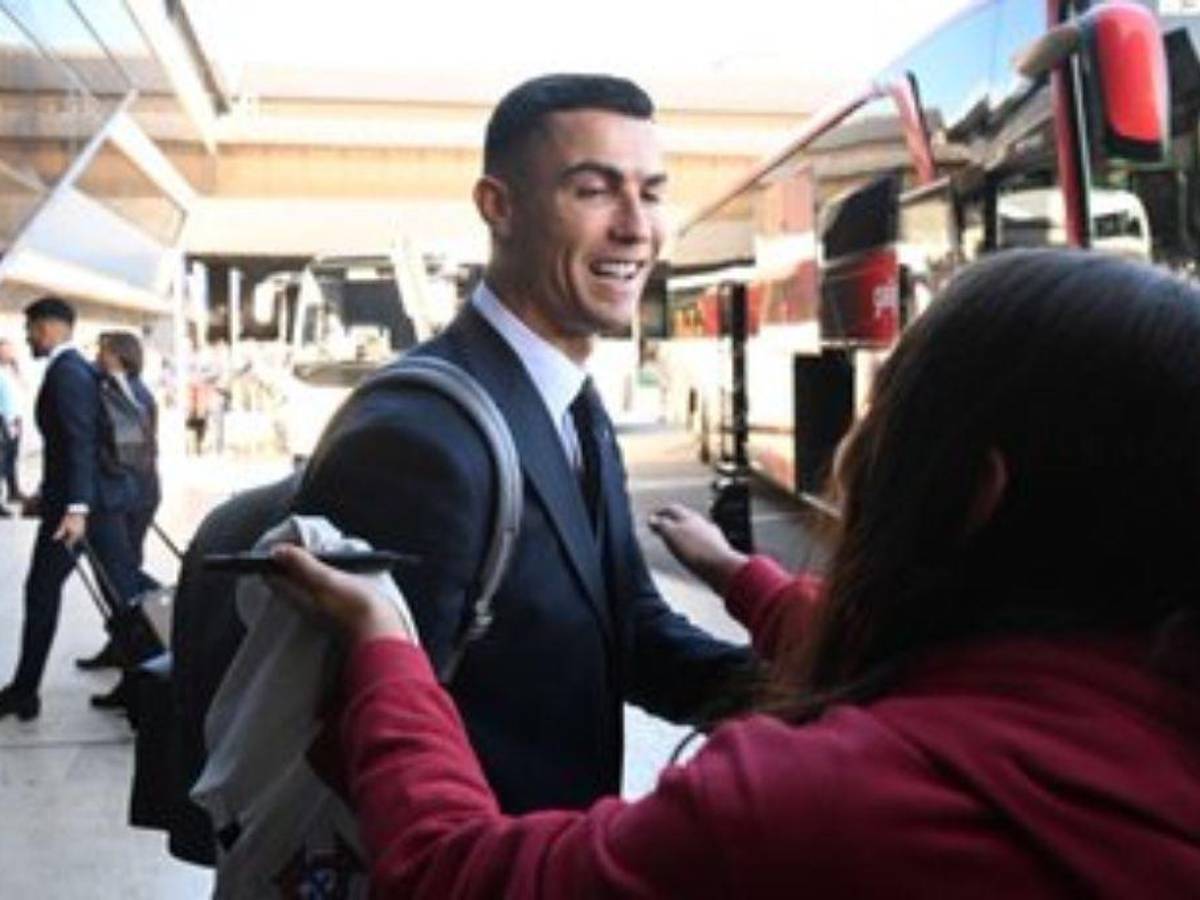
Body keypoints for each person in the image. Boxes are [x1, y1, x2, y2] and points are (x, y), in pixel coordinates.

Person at [275, 248, 1200, 897]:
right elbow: (976, 682)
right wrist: (741, 578)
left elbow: (454, 875)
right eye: (595, 187)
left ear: (970, 493)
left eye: (882, 427)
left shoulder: (810, 805)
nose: (633, 223)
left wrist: (386, 650)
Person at [294, 73, 756, 814]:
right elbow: (366, 738)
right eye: (595, 190)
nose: (638, 226)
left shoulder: (575, 403)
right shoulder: (416, 440)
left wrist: (830, 699)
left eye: (653, 191)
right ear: (498, 207)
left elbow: (630, 632)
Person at [0, 297, 139, 721]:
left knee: (43, 593)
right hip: (96, 502)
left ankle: (25, 691)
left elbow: (79, 444)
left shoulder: (67, 374)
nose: (28, 338)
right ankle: (146, 682)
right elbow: (71, 447)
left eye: (31, 328)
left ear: (50, 327)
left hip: (79, 510)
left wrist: (75, 507)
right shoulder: (79, 369)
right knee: (125, 594)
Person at [76, 331, 163, 694]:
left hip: (126, 498)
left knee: (121, 581)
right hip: (137, 494)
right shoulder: (135, 388)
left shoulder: (121, 390)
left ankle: (136, 669)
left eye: (104, 350)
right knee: (120, 578)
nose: (97, 356)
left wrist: (92, 470)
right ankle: (121, 650)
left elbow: (126, 454)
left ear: (120, 356)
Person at [0, 336, 25, 514]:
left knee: (11, 458)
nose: (10, 352)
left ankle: (13, 490)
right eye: (5, 349)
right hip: (3, 419)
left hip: (14, 418)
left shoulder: (11, 371)